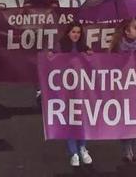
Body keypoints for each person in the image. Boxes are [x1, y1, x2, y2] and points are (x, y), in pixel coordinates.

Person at [109, 18, 136, 162]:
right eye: (135, 27)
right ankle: (126, 149)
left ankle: (134, 149)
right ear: (126, 31)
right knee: (125, 119)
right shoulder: (117, 48)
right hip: (122, 88)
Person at [55, 23, 93, 167]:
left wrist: (90, 55)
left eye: (78, 32)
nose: (76, 34)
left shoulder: (84, 47)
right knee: (70, 121)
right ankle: (74, 153)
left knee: (82, 120)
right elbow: (51, 61)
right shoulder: (60, 46)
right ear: (68, 33)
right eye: (73, 32)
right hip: (66, 91)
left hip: (81, 91)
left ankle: (82, 148)